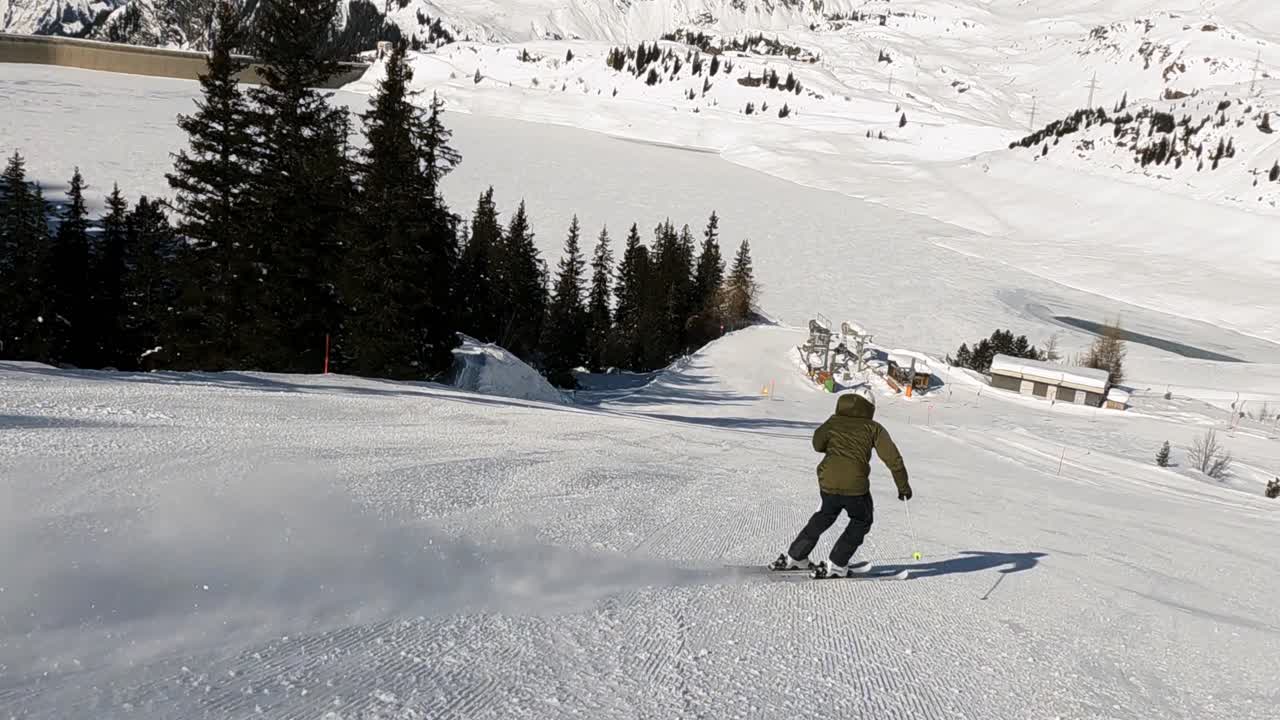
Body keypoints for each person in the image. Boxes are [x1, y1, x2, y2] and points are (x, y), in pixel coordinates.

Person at [770, 389, 911, 577]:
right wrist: (903, 487)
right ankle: (837, 563)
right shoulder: (873, 427)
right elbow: (893, 459)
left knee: (824, 515)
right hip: (855, 485)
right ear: (869, 407)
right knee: (862, 519)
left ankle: (796, 557)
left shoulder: (833, 421)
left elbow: (817, 444)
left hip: (827, 480)